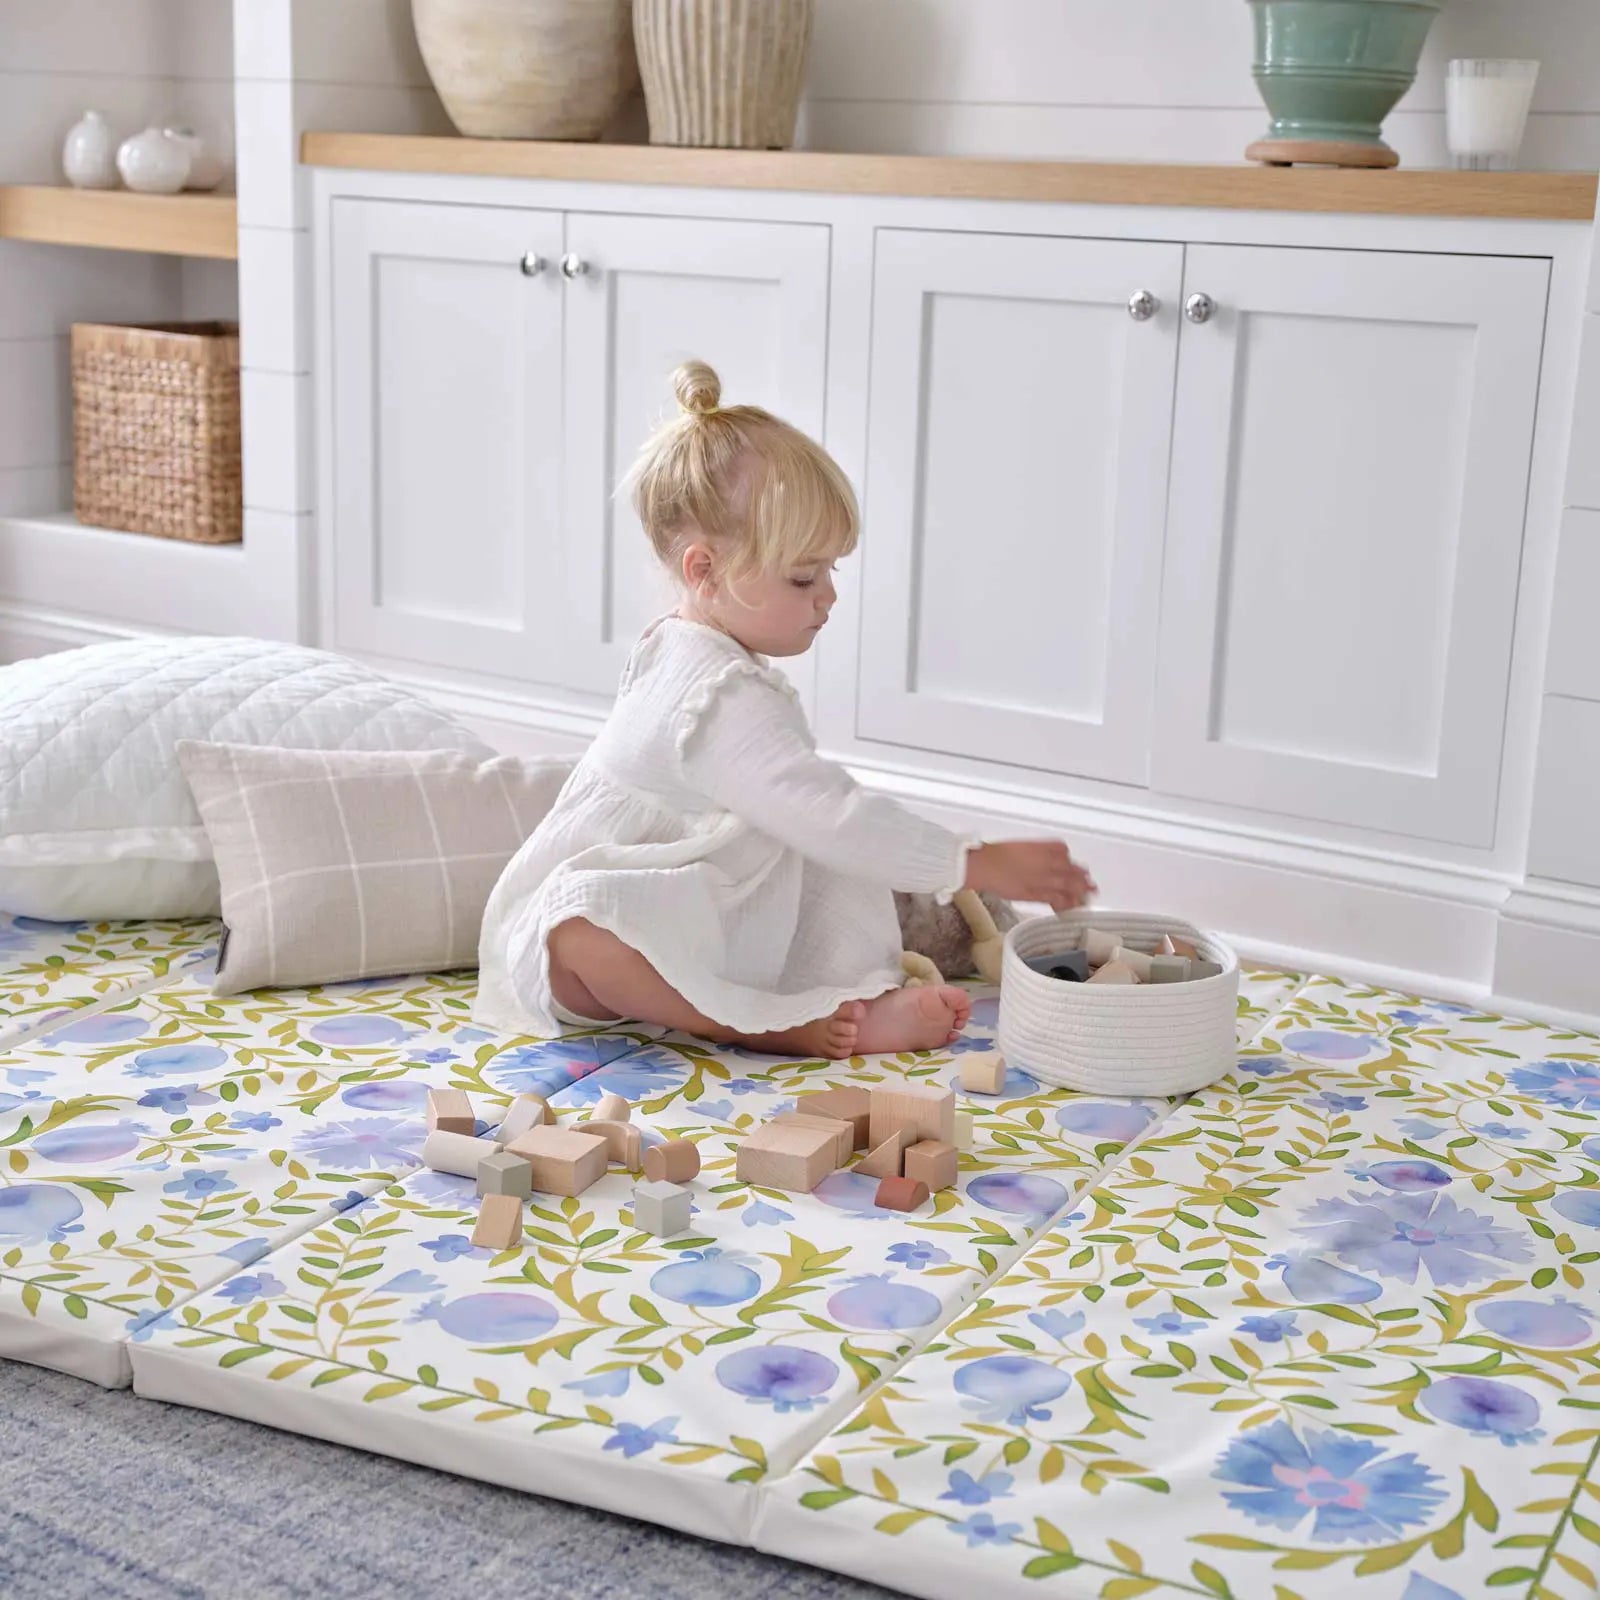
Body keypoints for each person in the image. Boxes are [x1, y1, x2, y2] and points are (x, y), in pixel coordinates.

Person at [476, 360, 1094, 1058]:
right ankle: (755, 1024)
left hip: (701, 887)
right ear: (703, 571)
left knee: (827, 865)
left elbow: (820, 817)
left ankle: (835, 996)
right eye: (804, 576)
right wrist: (976, 863)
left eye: (831, 570)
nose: (828, 596)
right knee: (580, 933)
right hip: (630, 905)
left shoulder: (692, 646)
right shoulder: (710, 694)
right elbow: (834, 815)